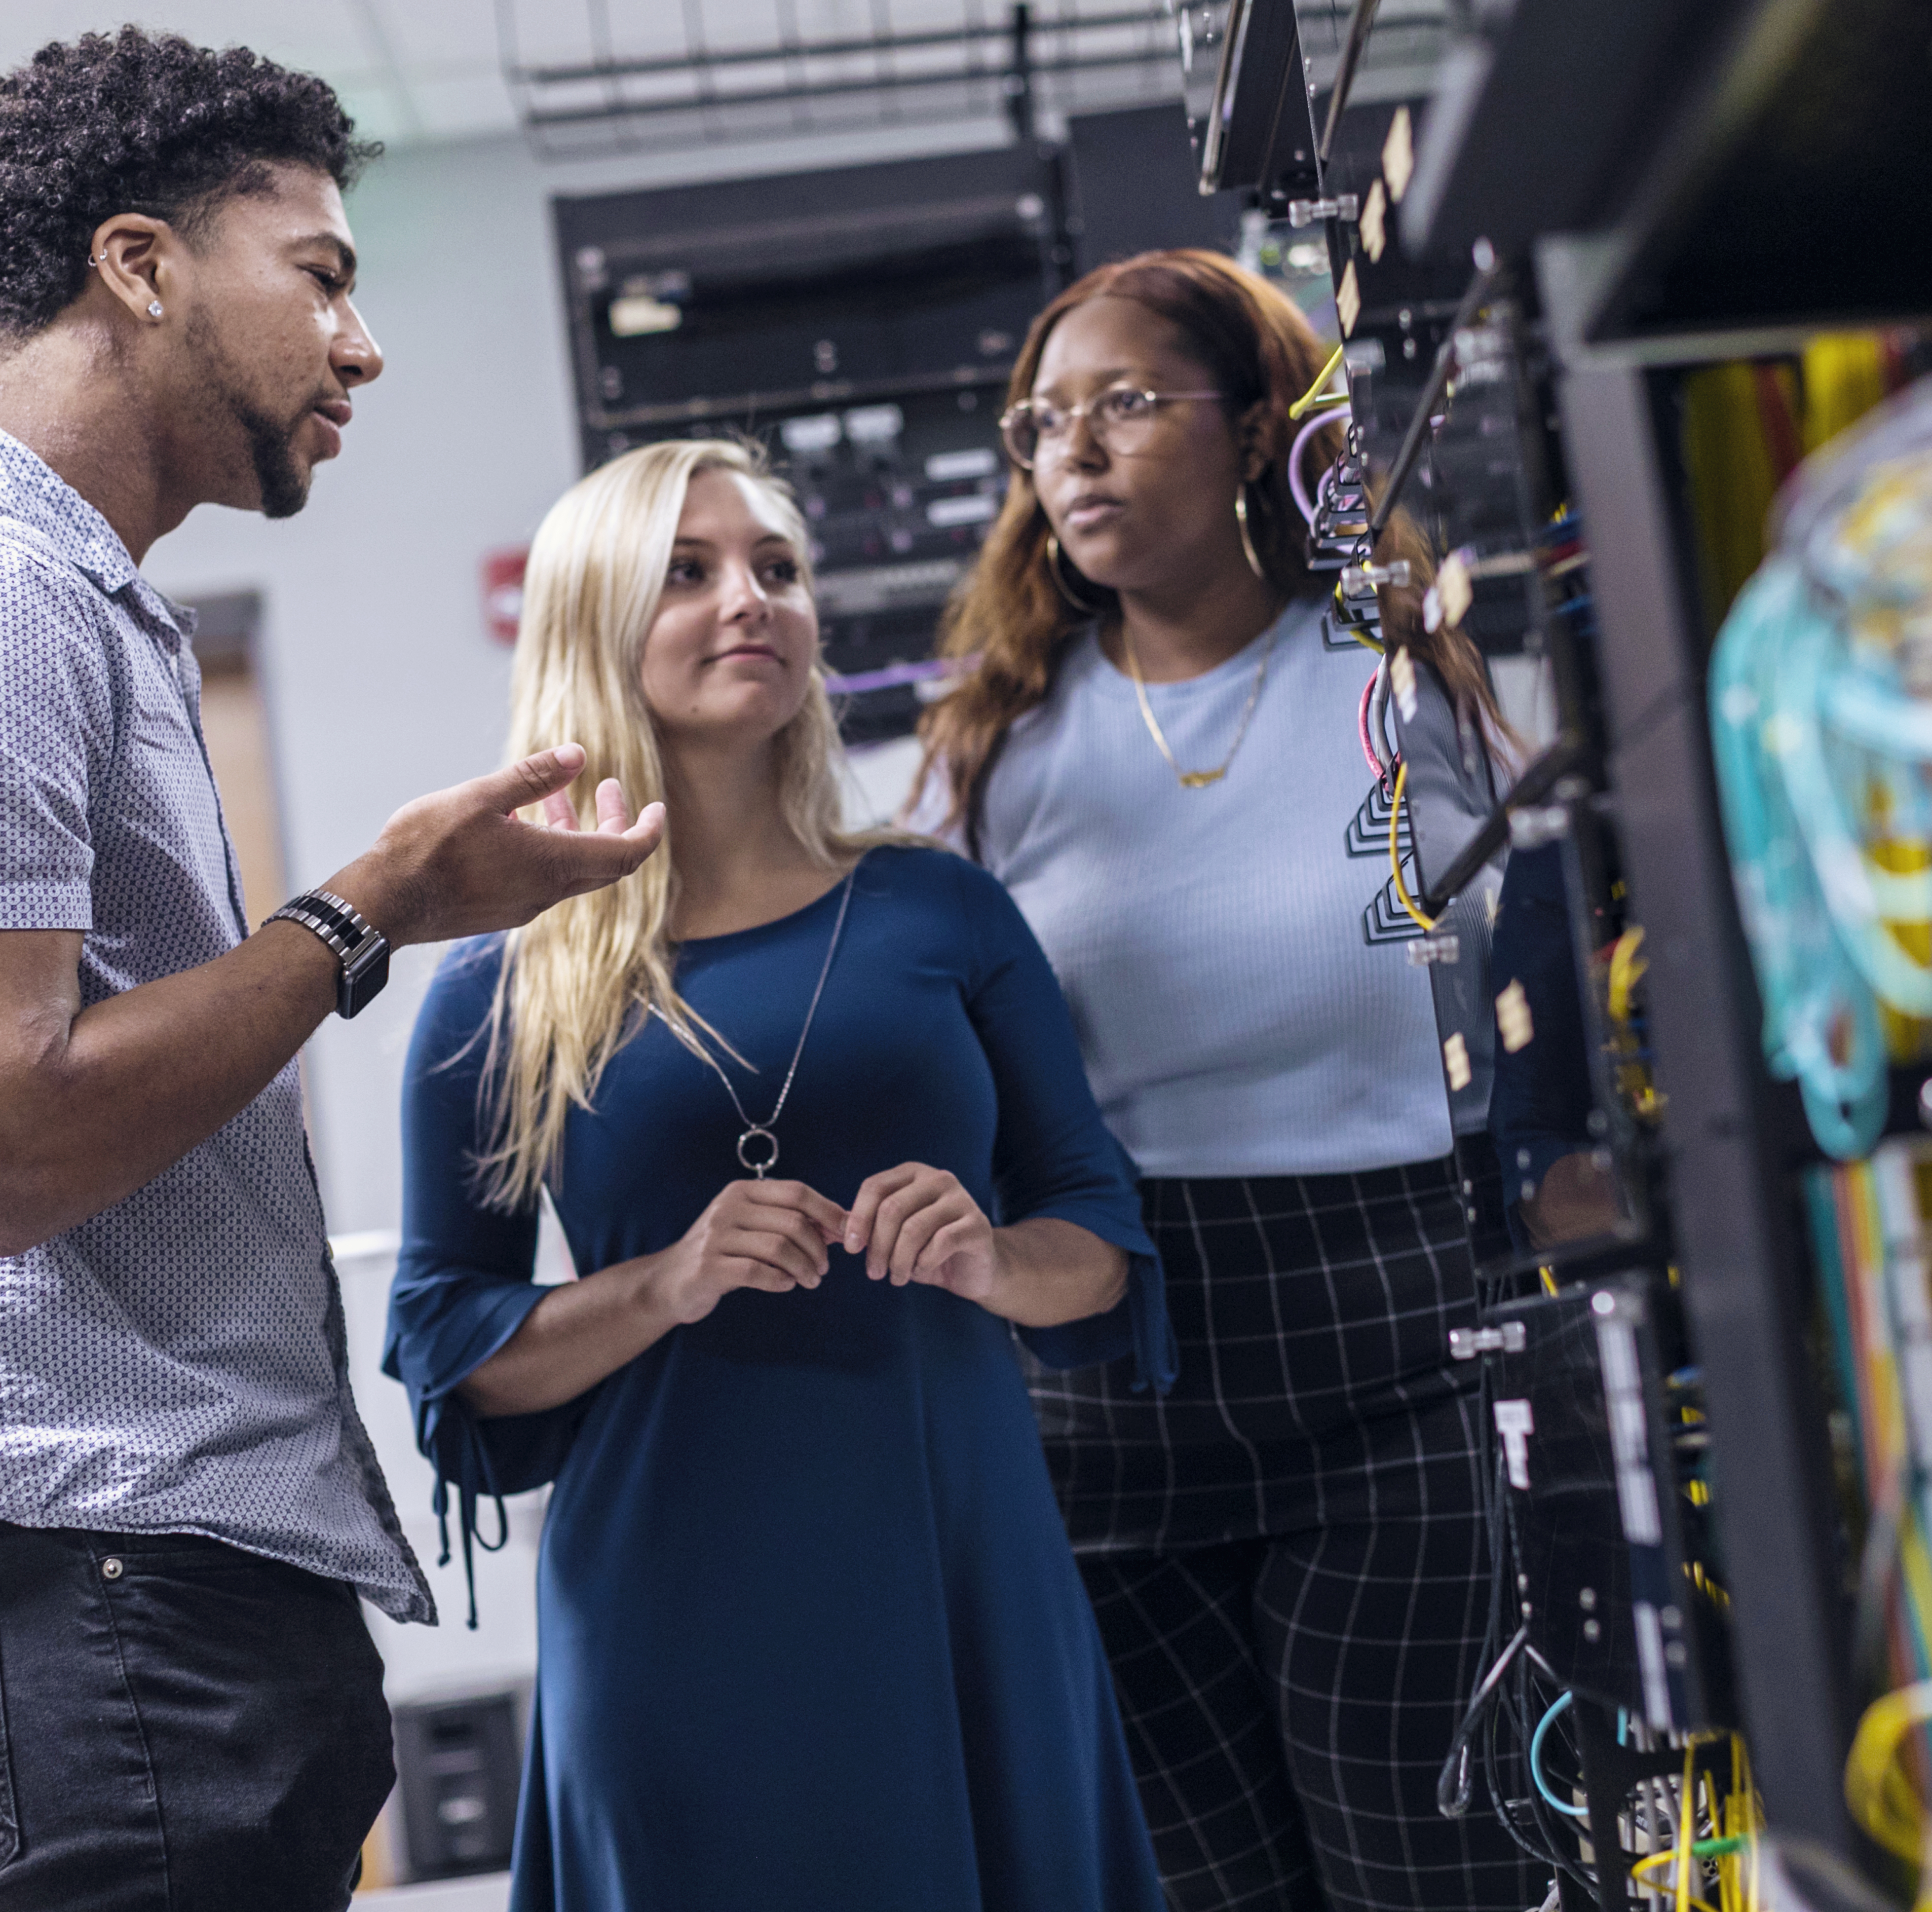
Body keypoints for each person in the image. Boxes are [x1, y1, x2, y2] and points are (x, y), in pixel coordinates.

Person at [0, 32, 667, 1912]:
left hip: (114, 1567)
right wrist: (370, 908)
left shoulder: (60, 595)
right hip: (78, 1563)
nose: (359, 346)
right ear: (142, 266)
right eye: (325, 277)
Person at [386, 437, 1172, 1912]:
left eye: (776, 569)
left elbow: (1099, 1237)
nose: (747, 599)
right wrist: (664, 1284)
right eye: (686, 572)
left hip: (958, 1573)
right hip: (675, 1603)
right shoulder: (497, 989)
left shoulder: (939, 908)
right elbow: (449, 1349)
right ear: (592, 624)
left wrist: (995, 1258)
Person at [912, 248, 1544, 1910]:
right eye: (1043, 422)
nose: (1077, 452)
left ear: (1259, 425)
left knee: (1433, 1872)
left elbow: (1549, 982)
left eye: (1127, 402)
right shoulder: (998, 742)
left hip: (1394, 1346)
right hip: (1107, 1372)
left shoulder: (1399, 681)